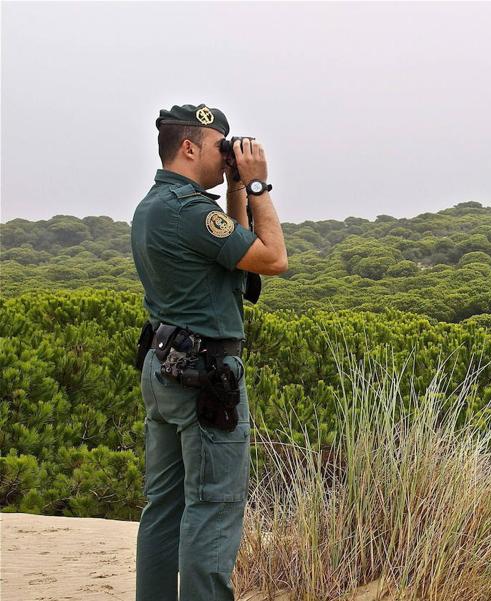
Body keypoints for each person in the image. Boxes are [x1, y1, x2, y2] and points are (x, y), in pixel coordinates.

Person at [130, 103, 287, 601]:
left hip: (166, 366)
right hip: (205, 375)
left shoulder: (158, 204)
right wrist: (260, 185)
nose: (227, 156)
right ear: (190, 146)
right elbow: (272, 258)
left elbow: (233, 262)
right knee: (213, 507)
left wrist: (236, 187)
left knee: (165, 506)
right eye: (221, 146)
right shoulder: (189, 211)